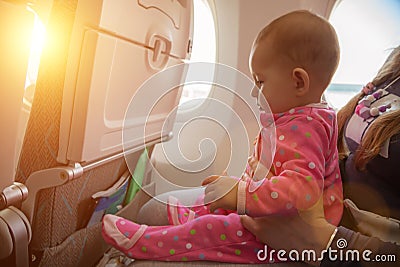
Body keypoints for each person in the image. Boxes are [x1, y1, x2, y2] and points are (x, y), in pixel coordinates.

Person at [101, 10, 343, 264]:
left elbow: (301, 191)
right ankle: (187, 220)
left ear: (298, 82)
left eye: (260, 82)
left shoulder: (307, 128)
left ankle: (145, 243)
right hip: (269, 214)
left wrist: (241, 194)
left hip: (282, 241)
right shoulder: (299, 118)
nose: (254, 91)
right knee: (205, 208)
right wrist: (237, 189)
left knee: (211, 231)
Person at [241, 45, 400, 266]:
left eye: (260, 82)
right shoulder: (395, 64)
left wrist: (322, 242)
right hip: (302, 223)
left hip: (334, 250)